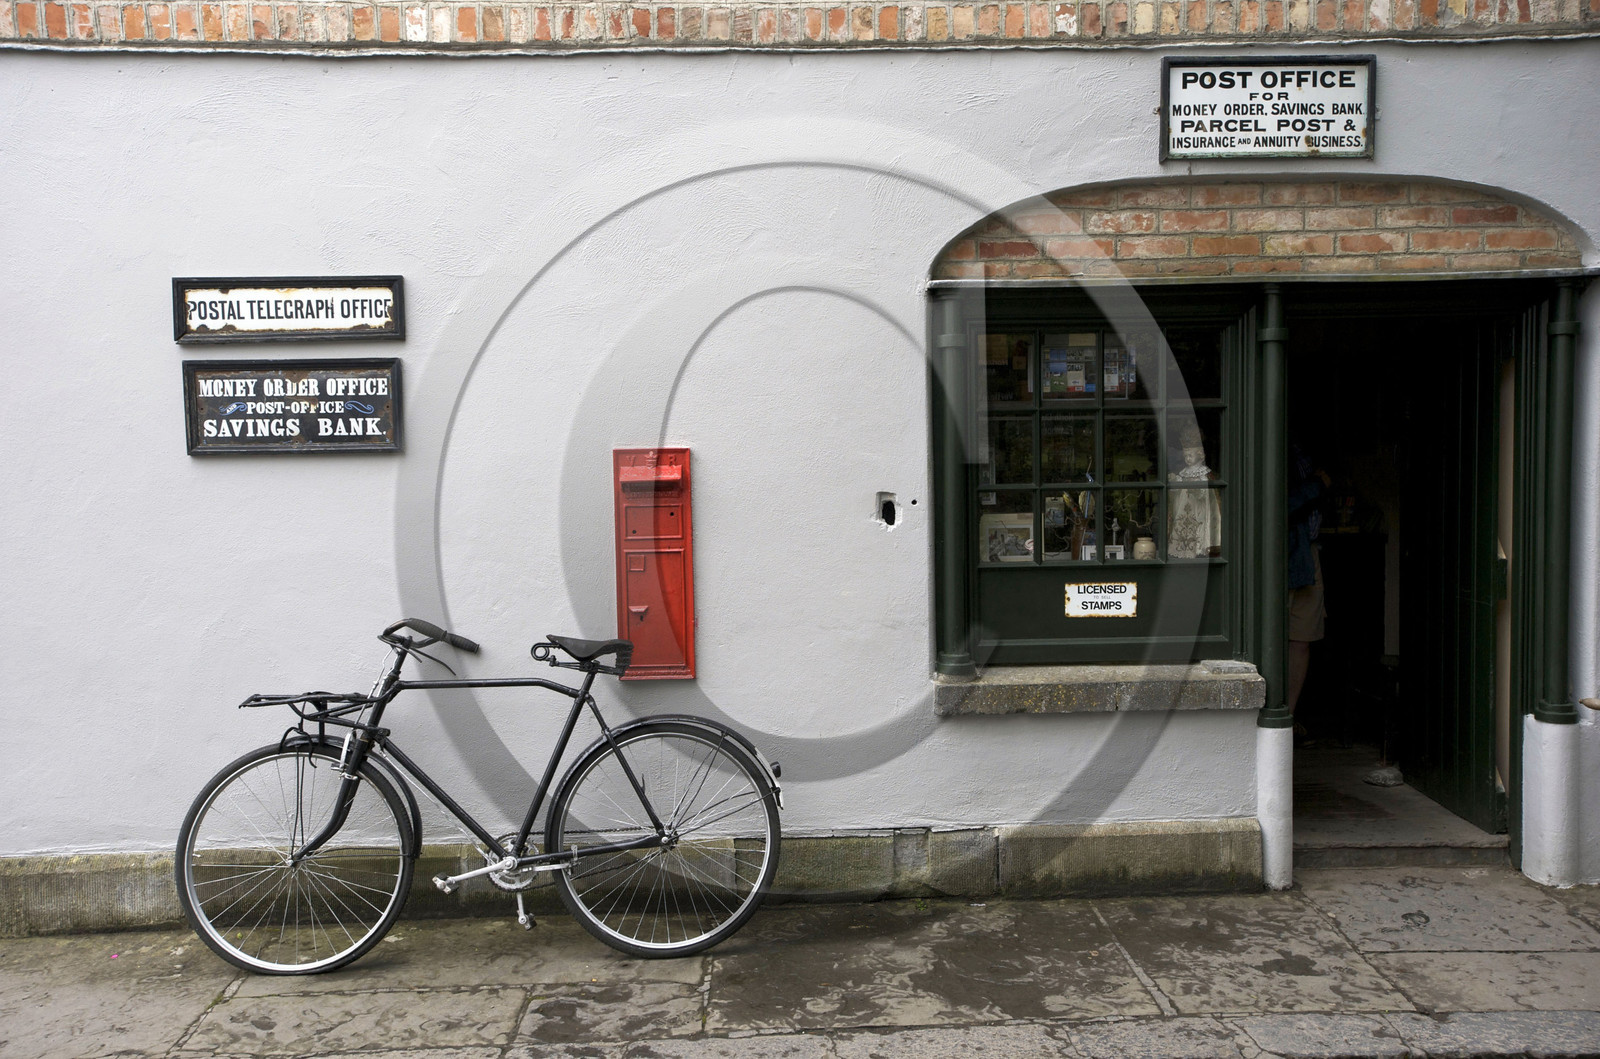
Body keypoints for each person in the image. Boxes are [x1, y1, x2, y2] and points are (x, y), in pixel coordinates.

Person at [1287, 444, 1329, 715]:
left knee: (1301, 640)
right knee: (1270, 639)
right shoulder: (1269, 445)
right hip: (1278, 554)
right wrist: (1316, 485)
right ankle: (1272, 720)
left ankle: (1287, 718)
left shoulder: (1307, 453)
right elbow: (1273, 504)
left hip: (1306, 553)